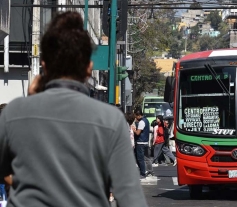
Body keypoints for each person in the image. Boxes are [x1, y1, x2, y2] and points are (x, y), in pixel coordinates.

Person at [0, 11, 148, 207]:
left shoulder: (13, 114)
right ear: (89, 68)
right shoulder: (111, 121)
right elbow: (131, 199)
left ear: (44, 65)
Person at [132, 108, 154, 179]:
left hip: (140, 142)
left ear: (138, 115)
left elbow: (138, 133)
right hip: (145, 142)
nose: (135, 117)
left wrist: (134, 130)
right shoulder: (146, 120)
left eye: (135, 116)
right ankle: (150, 171)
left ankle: (142, 173)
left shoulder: (141, 122)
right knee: (147, 158)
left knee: (140, 159)